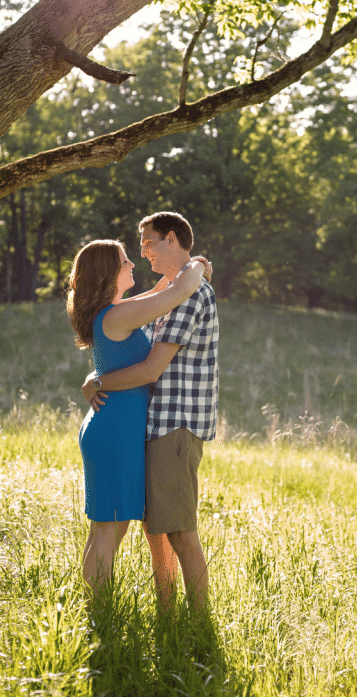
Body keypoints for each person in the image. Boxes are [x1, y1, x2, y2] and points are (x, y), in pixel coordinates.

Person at [83, 211, 219, 615]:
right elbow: (150, 308)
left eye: (147, 243)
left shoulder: (186, 294)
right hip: (142, 425)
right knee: (143, 529)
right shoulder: (161, 297)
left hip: (173, 423)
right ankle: (158, 613)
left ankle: (193, 621)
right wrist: (97, 378)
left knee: (175, 531)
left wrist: (194, 267)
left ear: (171, 239)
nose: (140, 255)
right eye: (131, 253)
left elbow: (149, 367)